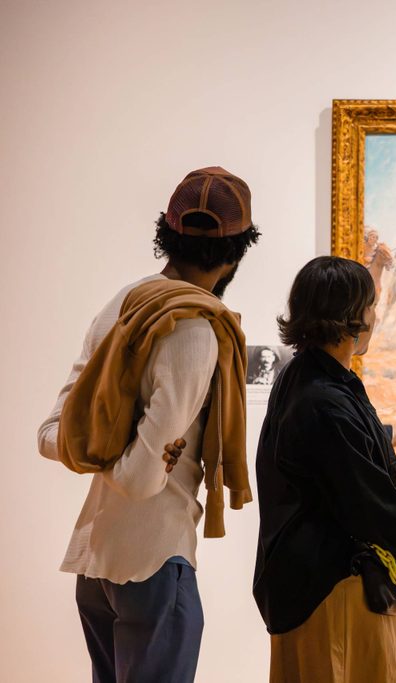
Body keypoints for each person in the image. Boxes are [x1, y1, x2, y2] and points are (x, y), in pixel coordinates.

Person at [37, 166, 260, 683]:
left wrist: (102, 447)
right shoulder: (196, 331)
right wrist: (138, 453)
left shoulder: (124, 303)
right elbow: (141, 480)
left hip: (97, 559)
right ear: (238, 251)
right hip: (155, 556)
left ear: (166, 232)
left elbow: (51, 434)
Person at [254, 256, 396, 683]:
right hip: (335, 589)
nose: (376, 315)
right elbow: (367, 499)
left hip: (322, 585)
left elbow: (354, 452)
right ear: (350, 316)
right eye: (371, 306)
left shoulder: (309, 378)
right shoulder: (323, 400)